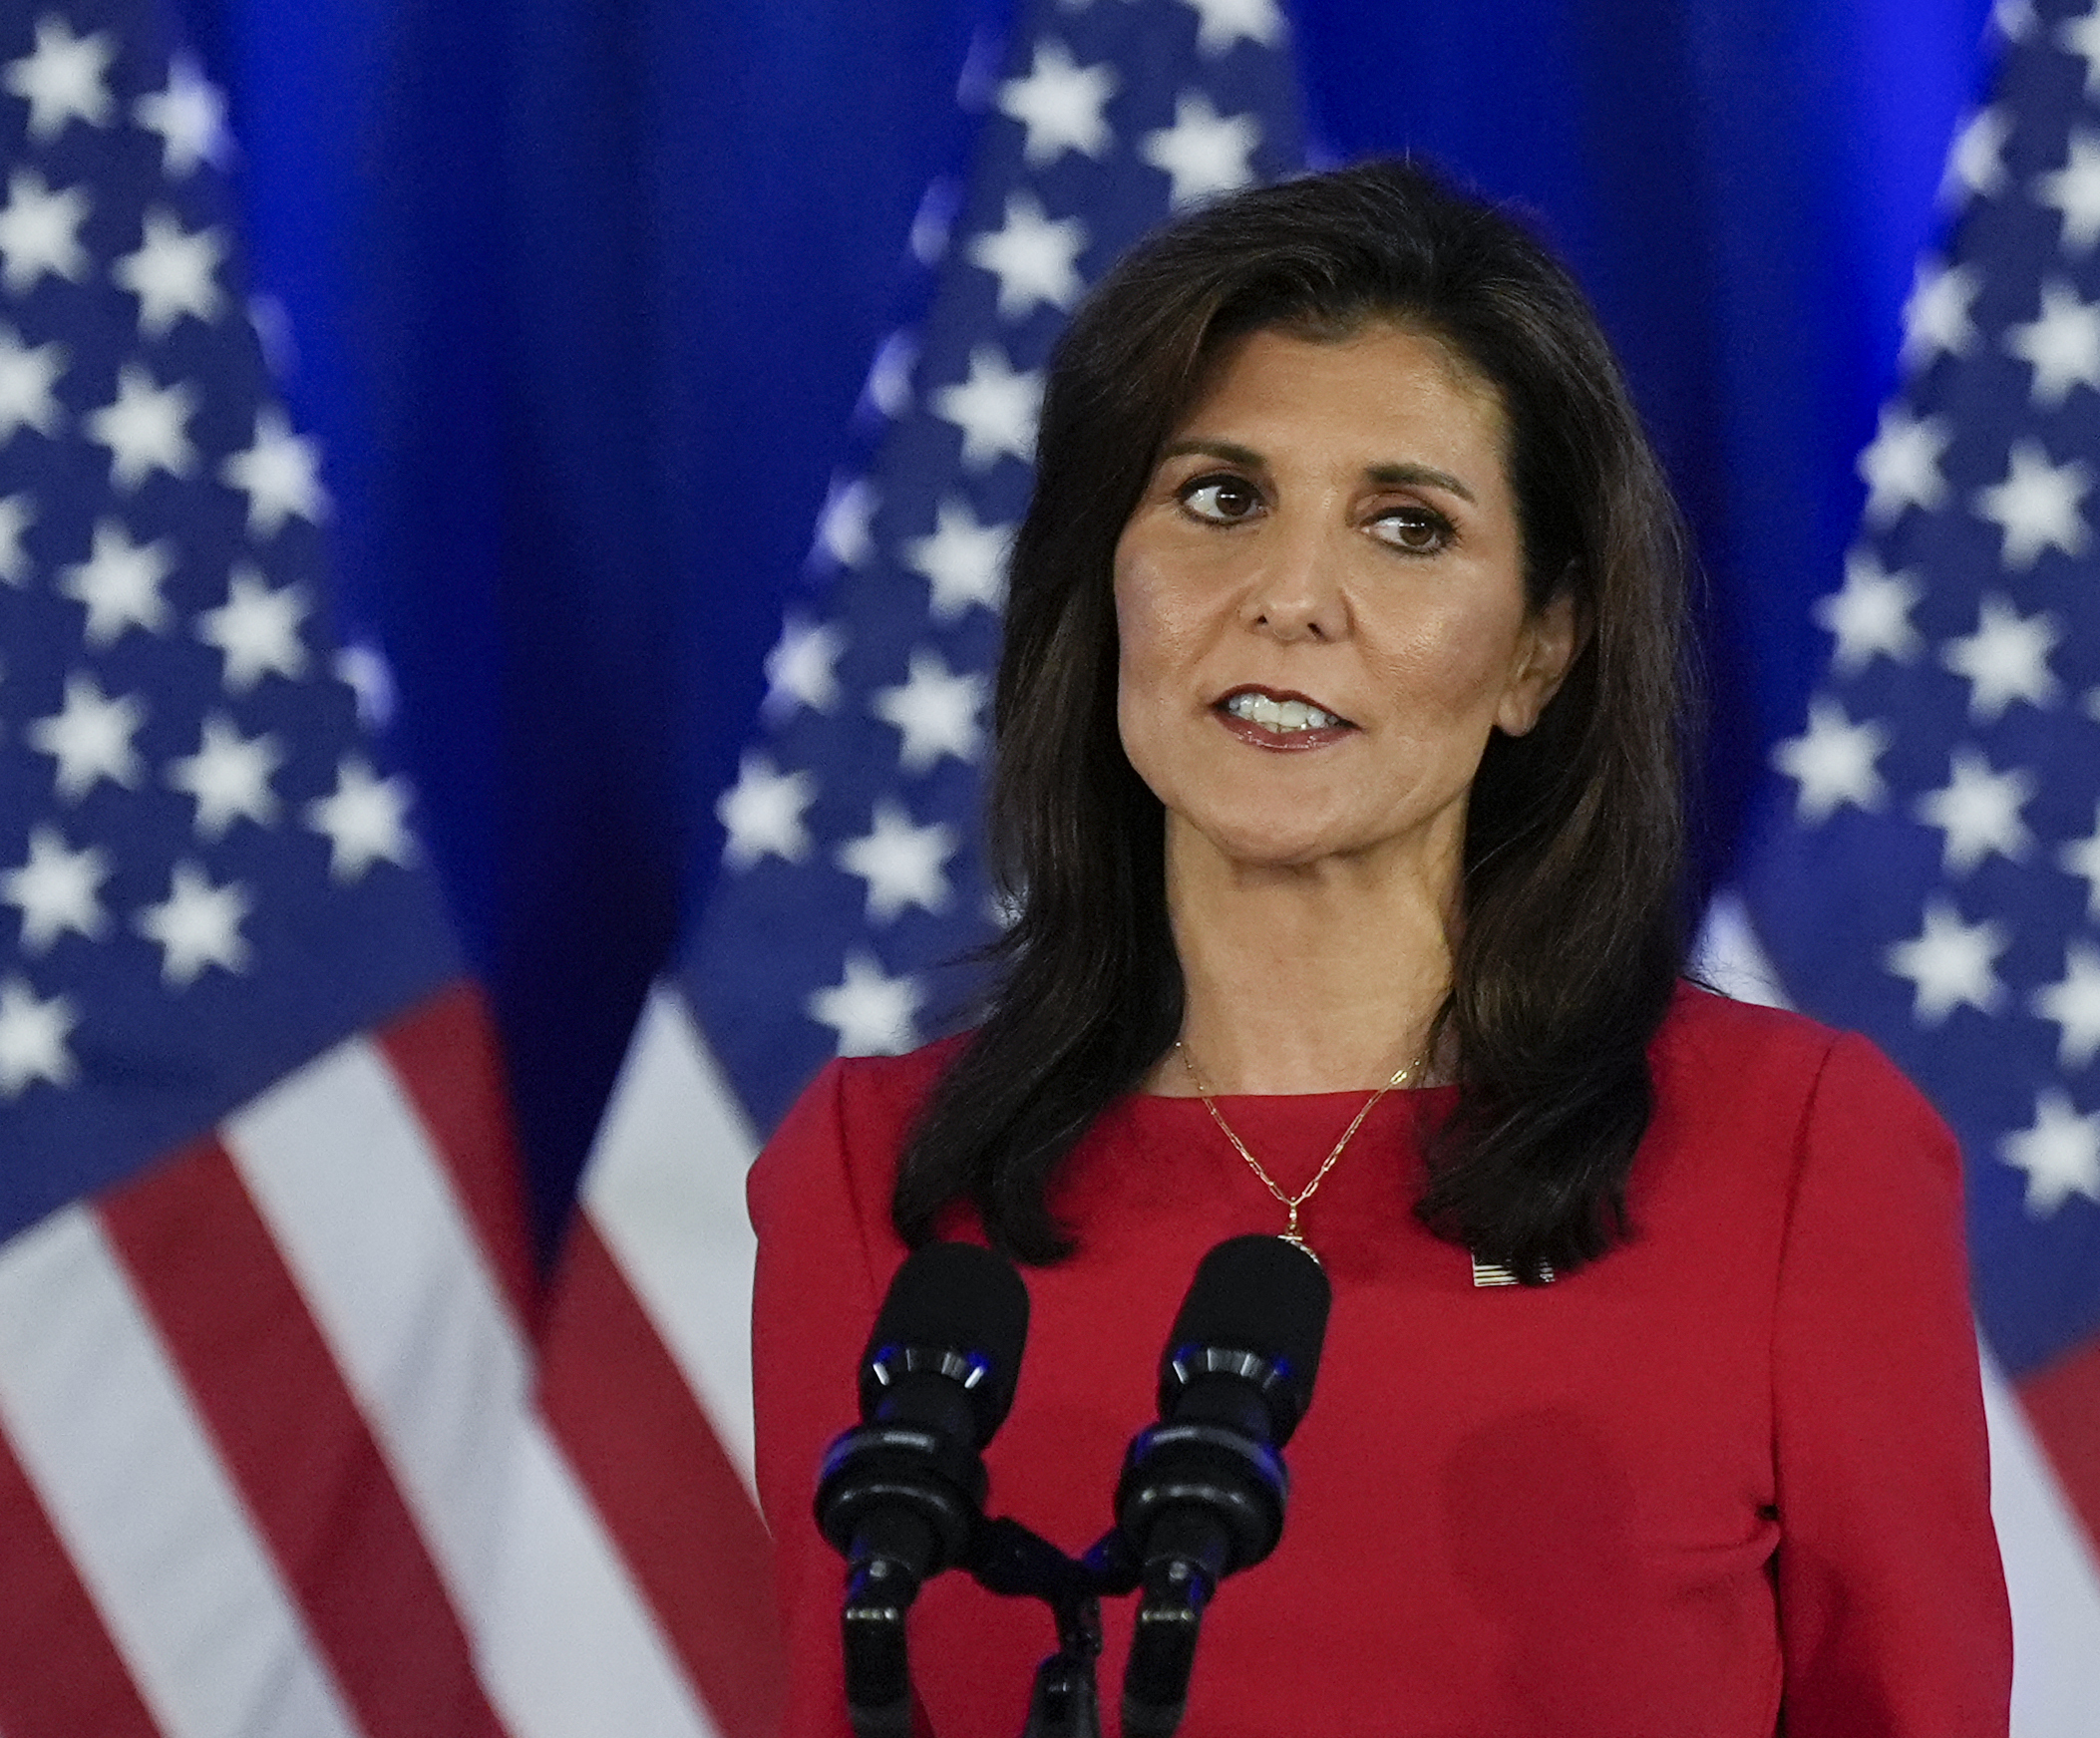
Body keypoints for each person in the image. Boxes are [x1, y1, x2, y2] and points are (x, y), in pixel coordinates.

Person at [750, 160, 2009, 1737]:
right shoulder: (876, 1179)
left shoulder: (1795, 1158)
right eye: (1221, 498)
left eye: (1408, 527)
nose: (1290, 598)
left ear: (1541, 648)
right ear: (1107, 576)